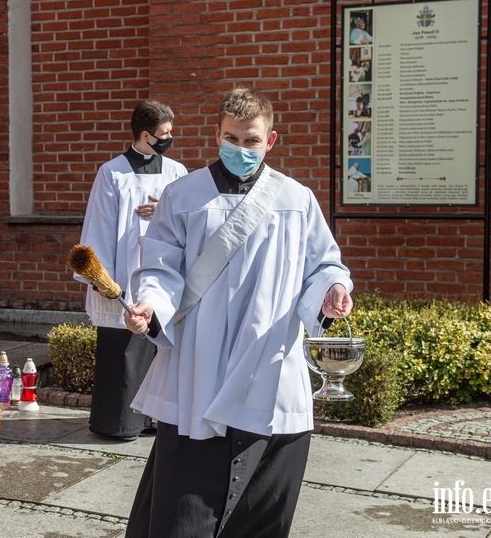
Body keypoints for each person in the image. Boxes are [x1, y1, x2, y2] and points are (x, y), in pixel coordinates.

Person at [122, 88, 353, 538]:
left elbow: (324, 261)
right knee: (184, 508)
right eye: (231, 138)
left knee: (262, 510)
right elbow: (160, 265)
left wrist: (334, 287)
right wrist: (150, 304)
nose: (240, 149)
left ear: (270, 141)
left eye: (251, 141)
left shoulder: (297, 199)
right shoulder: (183, 194)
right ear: (217, 135)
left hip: (268, 363)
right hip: (198, 364)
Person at [77, 99, 187, 439]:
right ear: (144, 135)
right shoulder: (113, 173)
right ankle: (120, 422)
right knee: (123, 352)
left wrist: (164, 212)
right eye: (164, 133)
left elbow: (190, 224)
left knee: (162, 348)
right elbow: (99, 224)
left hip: (163, 274)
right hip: (123, 277)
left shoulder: (177, 173)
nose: (170, 138)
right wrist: (101, 277)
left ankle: (157, 419)